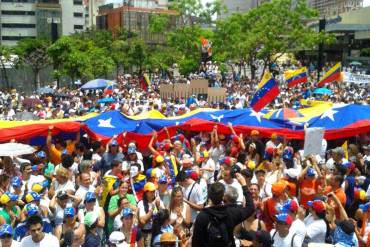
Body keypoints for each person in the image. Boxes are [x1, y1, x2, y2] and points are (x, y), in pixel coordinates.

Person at [192, 173, 255, 247]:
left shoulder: (202, 216)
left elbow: (196, 242)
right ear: (223, 197)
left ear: (209, 197)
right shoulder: (231, 212)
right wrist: (244, 185)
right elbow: (250, 208)